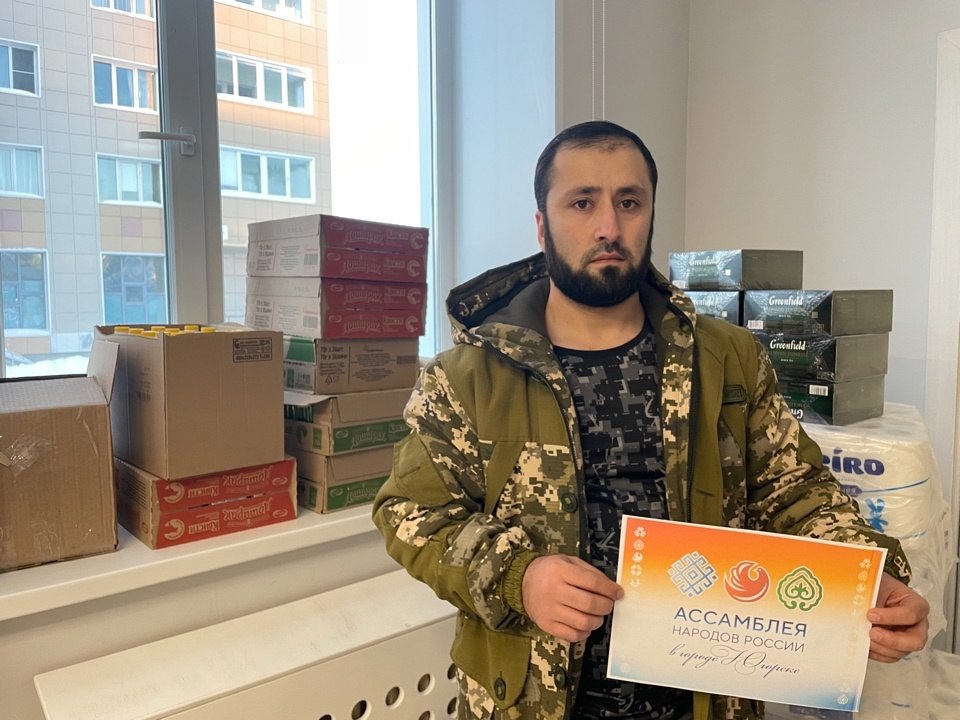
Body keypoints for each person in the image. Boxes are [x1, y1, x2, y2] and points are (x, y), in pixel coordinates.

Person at [372, 120, 930, 720]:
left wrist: (866, 575)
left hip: (705, 697)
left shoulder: (727, 359)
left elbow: (795, 492)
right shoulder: (468, 376)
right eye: (582, 203)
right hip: (533, 701)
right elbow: (412, 513)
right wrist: (519, 576)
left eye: (629, 202)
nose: (608, 227)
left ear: (651, 215)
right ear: (541, 225)